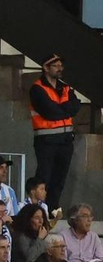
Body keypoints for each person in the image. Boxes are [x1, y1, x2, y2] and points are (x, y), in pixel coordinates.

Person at [30, 54, 79, 209]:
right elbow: (50, 112)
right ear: (45, 68)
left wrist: (62, 110)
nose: (60, 68)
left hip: (65, 140)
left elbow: (76, 106)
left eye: (60, 66)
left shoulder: (65, 87)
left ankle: (52, 210)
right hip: (46, 140)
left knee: (59, 179)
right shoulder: (37, 88)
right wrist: (66, 110)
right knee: (44, 177)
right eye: (56, 66)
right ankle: (38, 210)